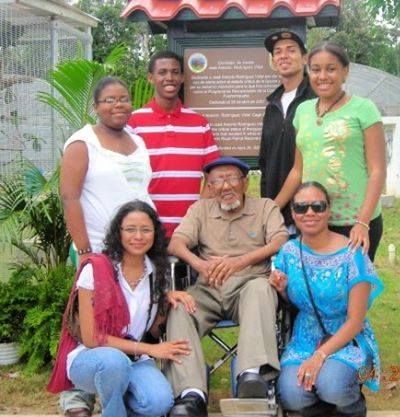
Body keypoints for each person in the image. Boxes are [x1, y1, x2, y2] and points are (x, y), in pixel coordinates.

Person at [59, 76, 154, 417]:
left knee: (124, 320)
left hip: (134, 247)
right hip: (97, 249)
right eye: (110, 100)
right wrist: (85, 251)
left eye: (124, 99)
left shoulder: (138, 142)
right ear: (96, 106)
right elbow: (69, 196)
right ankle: (76, 396)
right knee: (87, 324)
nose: (118, 105)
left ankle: (121, 384)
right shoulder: (83, 142)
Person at [165, 156, 289, 417]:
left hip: (249, 285)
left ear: (245, 183)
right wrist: (200, 265)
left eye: (232, 178)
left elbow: (280, 240)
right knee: (179, 308)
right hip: (208, 288)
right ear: (209, 187)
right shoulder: (200, 210)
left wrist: (241, 261)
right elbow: (176, 245)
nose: (225, 186)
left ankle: (250, 375)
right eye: (217, 181)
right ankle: (191, 394)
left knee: (260, 289)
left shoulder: (265, 207)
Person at [47, 200, 192, 417]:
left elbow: (152, 331)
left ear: (155, 234)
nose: (138, 236)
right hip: (92, 360)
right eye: (130, 229)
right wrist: (151, 350)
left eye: (146, 230)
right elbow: (92, 339)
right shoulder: (96, 270)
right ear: (118, 232)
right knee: (114, 363)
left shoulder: (157, 274)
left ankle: (118, 396)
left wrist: (164, 300)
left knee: (159, 403)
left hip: (133, 360)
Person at [269, 182, 383, 417]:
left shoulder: (353, 253)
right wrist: (281, 289)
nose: (309, 213)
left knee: (333, 386)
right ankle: (323, 409)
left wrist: (320, 356)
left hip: (346, 338)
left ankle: (350, 407)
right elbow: (290, 304)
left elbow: (356, 321)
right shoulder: (289, 253)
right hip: (304, 339)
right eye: (301, 208)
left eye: (317, 206)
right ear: (293, 213)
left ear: (328, 210)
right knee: (292, 396)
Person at [274, 42, 387, 261]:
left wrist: (362, 223)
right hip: (314, 219)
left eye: (331, 69)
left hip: (355, 223)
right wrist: (271, 209)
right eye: (316, 70)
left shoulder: (363, 109)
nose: (322, 76)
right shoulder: (303, 111)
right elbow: (298, 170)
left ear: (345, 71)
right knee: (319, 290)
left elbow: (378, 170)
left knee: (354, 289)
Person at [127, 50, 220, 238]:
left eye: (175, 72)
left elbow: (214, 175)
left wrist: (196, 218)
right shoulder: (133, 123)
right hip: (146, 231)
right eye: (162, 72)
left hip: (191, 231)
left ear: (182, 77)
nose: (169, 77)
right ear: (151, 78)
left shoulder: (199, 123)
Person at [259, 29, 315, 230]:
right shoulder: (272, 105)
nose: (283, 56)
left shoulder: (316, 99)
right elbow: (265, 161)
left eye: (291, 50)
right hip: (278, 215)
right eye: (278, 52)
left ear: (305, 58)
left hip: (312, 210)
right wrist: (268, 207)